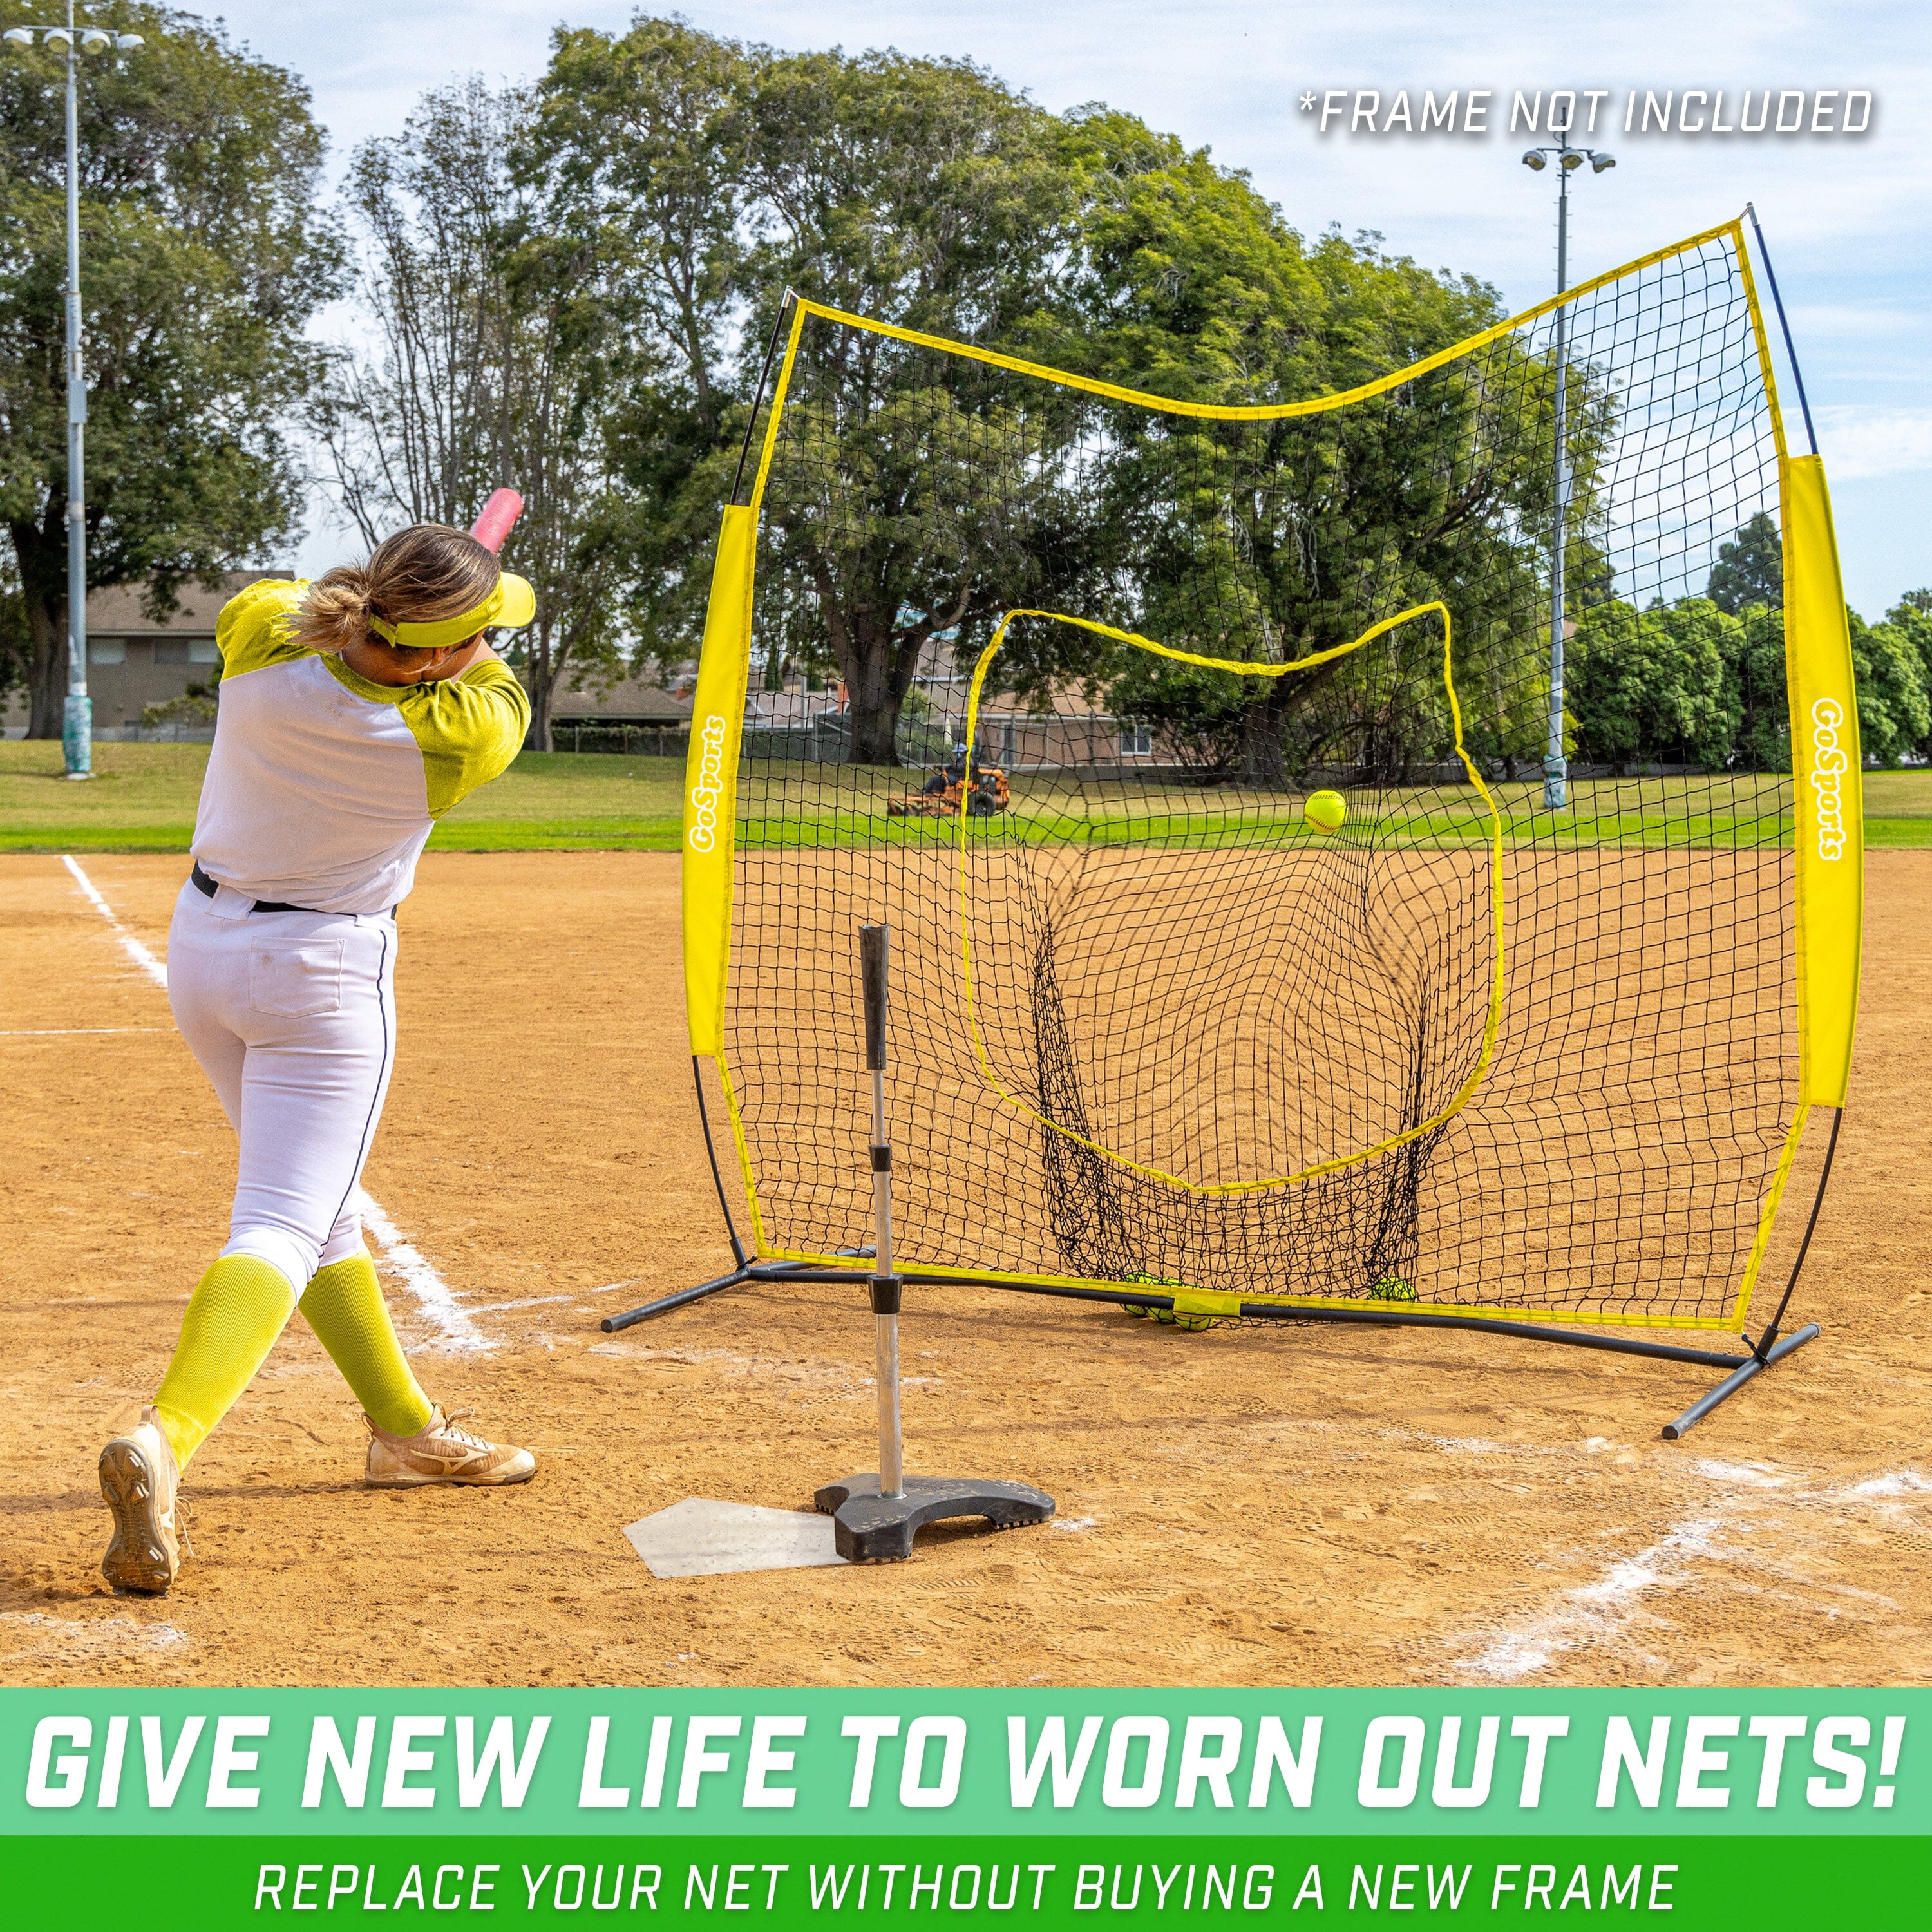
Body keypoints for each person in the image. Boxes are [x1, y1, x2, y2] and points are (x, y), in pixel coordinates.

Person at [97, 524, 540, 1598]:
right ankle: (167, 1439)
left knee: (318, 1204)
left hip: (205, 955)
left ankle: (405, 1432)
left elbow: (291, 604)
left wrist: (400, 604)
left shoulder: (263, 641)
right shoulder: (465, 728)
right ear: (440, 655)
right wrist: (446, 644)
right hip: (325, 976)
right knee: (285, 1221)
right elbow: (483, 676)